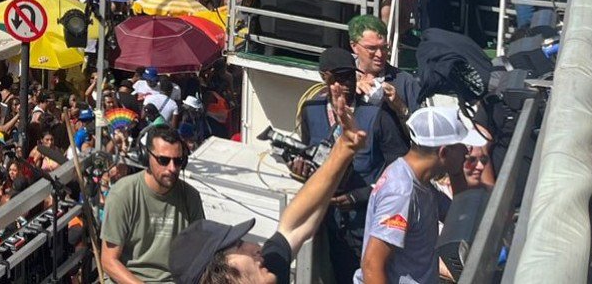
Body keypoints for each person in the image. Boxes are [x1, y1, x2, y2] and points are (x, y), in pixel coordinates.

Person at [170, 126, 367, 283]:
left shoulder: (266, 273)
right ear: (221, 277)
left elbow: (293, 225)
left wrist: (343, 150)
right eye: (239, 246)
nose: (256, 247)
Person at [297, 47, 409, 284]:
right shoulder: (311, 112)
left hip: (369, 223)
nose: (345, 84)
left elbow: (401, 170)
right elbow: (310, 158)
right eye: (338, 78)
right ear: (324, 77)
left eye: (349, 76)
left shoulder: (377, 115)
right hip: (329, 226)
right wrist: (300, 171)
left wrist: (359, 196)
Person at [355, 107, 485, 284]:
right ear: (444, 152)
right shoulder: (401, 193)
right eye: (462, 147)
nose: (466, 153)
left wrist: (456, 172)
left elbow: (457, 217)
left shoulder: (421, 182)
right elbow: (371, 265)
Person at [99, 128, 204, 284]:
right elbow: (108, 261)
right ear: (146, 157)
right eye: (163, 160)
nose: (172, 168)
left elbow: (200, 251)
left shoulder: (191, 197)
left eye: (178, 161)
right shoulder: (122, 194)